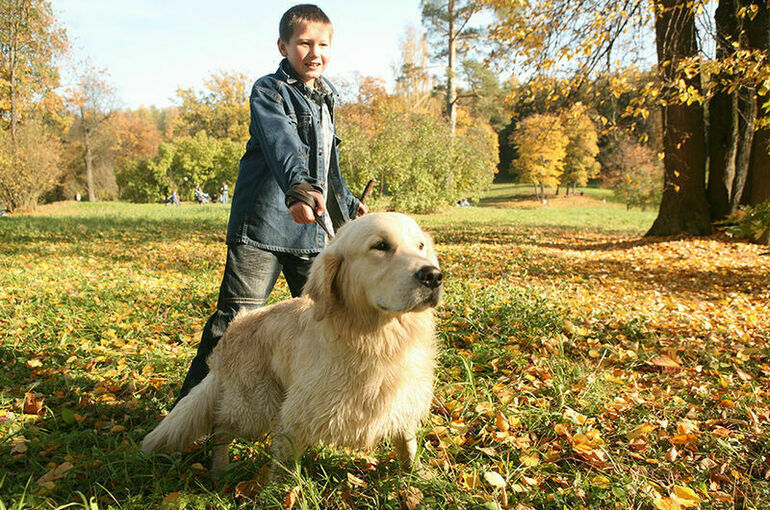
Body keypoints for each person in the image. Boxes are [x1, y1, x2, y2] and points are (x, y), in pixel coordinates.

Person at [173, 4, 367, 405]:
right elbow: (283, 145)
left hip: (312, 233)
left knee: (325, 319)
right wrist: (297, 191)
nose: (315, 53)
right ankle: (187, 413)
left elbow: (327, 167)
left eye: (324, 45)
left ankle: (320, 405)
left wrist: (346, 205)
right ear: (283, 45)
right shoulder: (269, 91)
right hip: (261, 231)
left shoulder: (327, 98)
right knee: (233, 324)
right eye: (304, 43)